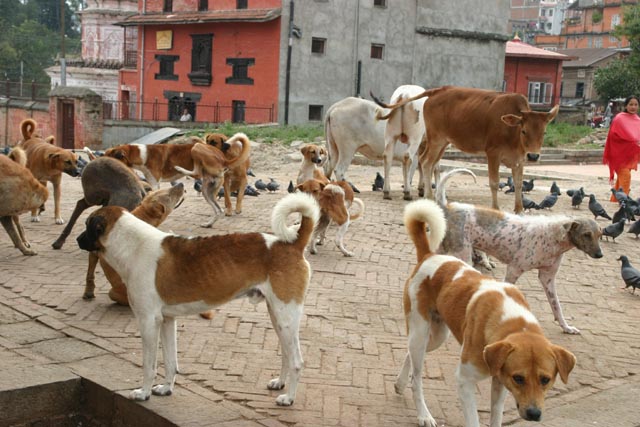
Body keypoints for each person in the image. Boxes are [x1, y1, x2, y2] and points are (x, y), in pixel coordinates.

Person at [603, 95, 640, 202]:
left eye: (636, 104)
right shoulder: (619, 118)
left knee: (620, 182)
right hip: (618, 156)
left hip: (630, 157)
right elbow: (613, 136)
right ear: (626, 106)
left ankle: (614, 201)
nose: (633, 107)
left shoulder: (638, 120)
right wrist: (631, 140)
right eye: (631, 104)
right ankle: (623, 202)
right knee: (626, 178)